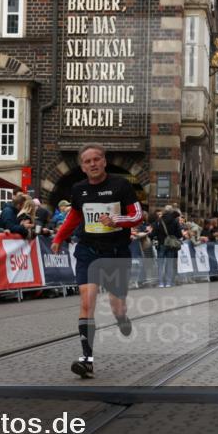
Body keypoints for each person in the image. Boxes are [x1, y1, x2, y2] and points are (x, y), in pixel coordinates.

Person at [51, 143, 143, 379]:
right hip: (88, 251)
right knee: (87, 301)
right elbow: (74, 217)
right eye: (87, 161)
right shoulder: (79, 189)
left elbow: (137, 215)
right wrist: (59, 237)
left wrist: (117, 220)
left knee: (117, 305)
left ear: (104, 161)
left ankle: (121, 317)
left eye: (96, 159)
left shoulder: (121, 185)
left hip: (116, 252)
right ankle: (87, 360)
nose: (92, 164)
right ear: (82, 167)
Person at [154, 204, 183, 288]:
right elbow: (179, 234)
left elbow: (154, 232)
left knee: (160, 264)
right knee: (170, 263)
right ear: (171, 211)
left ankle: (160, 283)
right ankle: (168, 282)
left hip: (161, 243)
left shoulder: (159, 220)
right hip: (171, 244)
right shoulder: (175, 220)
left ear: (164, 211)